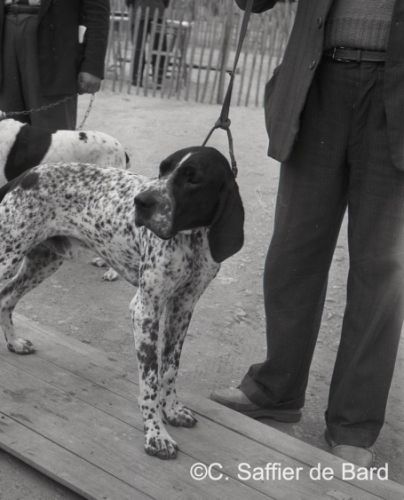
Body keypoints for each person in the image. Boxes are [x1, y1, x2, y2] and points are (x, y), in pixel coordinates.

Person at [211, 0, 404, 468]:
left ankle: (354, 422)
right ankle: (276, 390)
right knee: (293, 251)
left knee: (381, 269)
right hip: (318, 81)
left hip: (397, 96)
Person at [0, 0, 110, 130]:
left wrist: (93, 65)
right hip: (0, 37)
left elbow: (96, 10)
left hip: (56, 45)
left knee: (53, 140)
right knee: (5, 137)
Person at [126, 0, 169, 87]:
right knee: (159, 47)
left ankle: (136, 78)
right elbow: (166, 2)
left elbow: (129, 1)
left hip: (140, 11)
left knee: (138, 47)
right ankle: (158, 79)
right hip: (158, 12)